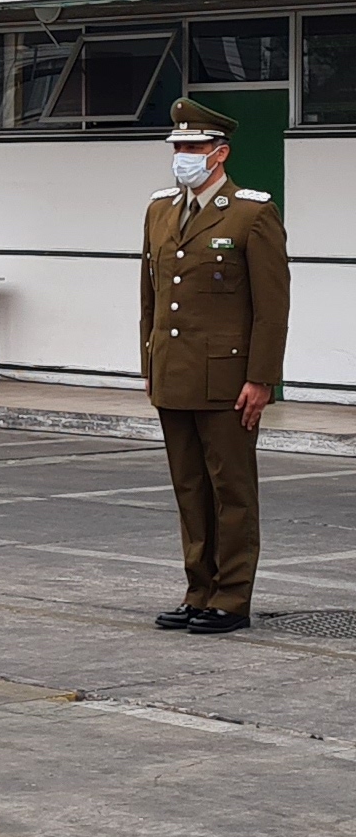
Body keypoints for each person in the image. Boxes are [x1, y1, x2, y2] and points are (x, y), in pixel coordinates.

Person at [141, 97, 290, 635]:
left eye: (193, 147)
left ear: (219, 153)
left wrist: (261, 378)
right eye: (177, 147)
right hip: (175, 372)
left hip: (228, 378)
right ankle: (197, 589)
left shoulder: (252, 213)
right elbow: (150, 296)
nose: (182, 155)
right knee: (189, 489)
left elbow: (272, 307)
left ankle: (231, 597)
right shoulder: (160, 209)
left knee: (231, 490)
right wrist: (150, 361)